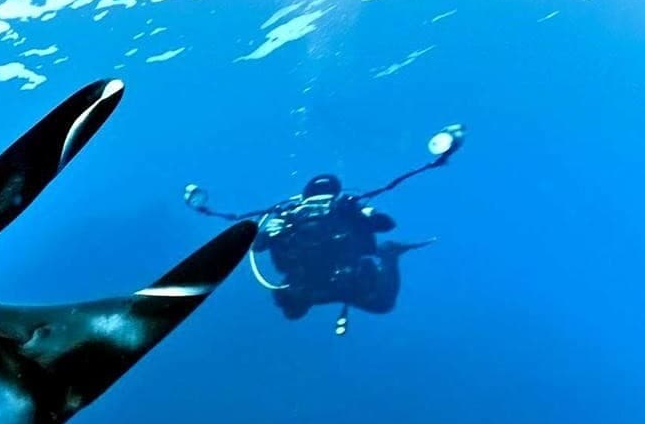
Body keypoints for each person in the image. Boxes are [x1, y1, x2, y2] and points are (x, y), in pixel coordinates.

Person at [182, 124, 463, 335]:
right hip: (309, 284)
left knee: (383, 304)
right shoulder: (289, 216)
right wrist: (269, 232)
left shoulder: (347, 210)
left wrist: (366, 214)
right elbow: (256, 246)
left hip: (345, 280)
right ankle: (388, 256)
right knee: (292, 312)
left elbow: (387, 224)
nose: (316, 208)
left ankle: (390, 256)